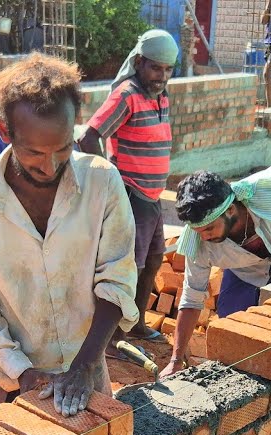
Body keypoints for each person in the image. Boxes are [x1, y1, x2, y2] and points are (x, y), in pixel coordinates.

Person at [0, 54, 139, 416]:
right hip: (6, 373)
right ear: (5, 131)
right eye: (34, 152)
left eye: (63, 148)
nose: (49, 166)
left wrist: (83, 366)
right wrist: (21, 371)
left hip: (84, 369)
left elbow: (117, 277)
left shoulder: (102, 181)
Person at [162, 166, 271, 377]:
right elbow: (191, 299)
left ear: (231, 210)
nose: (204, 237)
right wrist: (176, 360)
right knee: (234, 336)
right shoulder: (197, 245)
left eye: (209, 229)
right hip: (246, 272)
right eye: (198, 231)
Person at [78, 30, 179, 347]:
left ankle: (135, 324)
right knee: (127, 267)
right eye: (155, 68)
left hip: (152, 198)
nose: (162, 76)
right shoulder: (127, 94)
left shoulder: (159, 95)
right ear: (139, 63)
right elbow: (88, 137)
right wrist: (111, 181)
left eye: (167, 70)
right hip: (132, 195)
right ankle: (113, 339)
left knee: (152, 261)